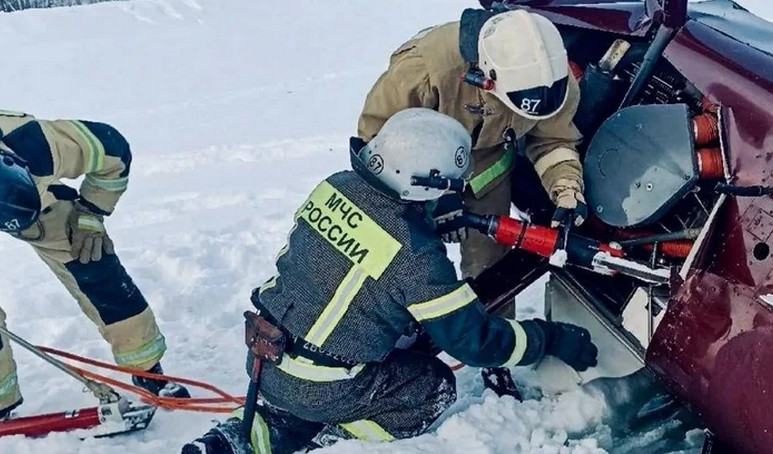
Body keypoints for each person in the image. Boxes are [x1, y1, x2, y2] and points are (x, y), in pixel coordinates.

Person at [182, 108, 597, 454]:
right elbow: (474, 342)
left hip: (266, 359)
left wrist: (423, 218)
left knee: (299, 393)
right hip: (325, 384)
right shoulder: (415, 258)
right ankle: (331, 441)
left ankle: (235, 437)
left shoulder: (335, 187)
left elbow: (369, 242)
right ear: (425, 186)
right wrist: (549, 339)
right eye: (447, 190)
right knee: (430, 386)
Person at [0, 108, 188, 440]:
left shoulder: (40, 145)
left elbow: (114, 150)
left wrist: (90, 213)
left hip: (36, 200)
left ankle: (148, 370)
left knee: (94, 263)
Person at [358, 9, 587, 295]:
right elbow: (376, 141)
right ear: (485, 78)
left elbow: (553, 140)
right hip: (411, 173)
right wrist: (436, 196)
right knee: (407, 265)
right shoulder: (425, 70)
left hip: (487, 170)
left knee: (491, 270)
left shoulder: (552, 80)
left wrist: (566, 190)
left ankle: (490, 330)